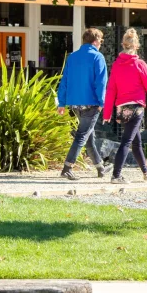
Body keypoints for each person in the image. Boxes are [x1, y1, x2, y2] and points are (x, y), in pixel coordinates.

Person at [103, 28, 147, 184]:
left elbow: (111, 89)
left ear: (123, 45)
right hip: (136, 107)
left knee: (136, 141)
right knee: (127, 141)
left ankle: (145, 171)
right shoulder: (140, 64)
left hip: (121, 108)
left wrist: (106, 113)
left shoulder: (117, 65)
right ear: (136, 46)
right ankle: (116, 176)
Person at [57, 28, 112, 181]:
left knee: (88, 136)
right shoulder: (98, 57)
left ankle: (100, 168)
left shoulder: (73, 57)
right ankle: (67, 167)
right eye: (100, 41)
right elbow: (101, 83)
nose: (101, 44)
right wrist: (102, 103)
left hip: (75, 104)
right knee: (82, 135)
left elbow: (65, 80)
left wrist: (61, 102)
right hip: (91, 103)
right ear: (95, 41)